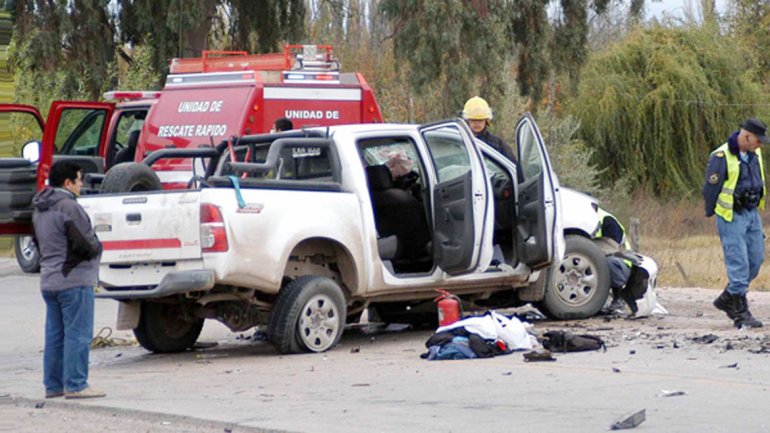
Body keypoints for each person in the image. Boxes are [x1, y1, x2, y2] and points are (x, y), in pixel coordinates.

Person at [33, 160, 105, 399]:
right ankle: (76, 384)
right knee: (78, 334)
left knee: (54, 335)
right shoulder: (69, 207)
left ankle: (53, 386)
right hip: (74, 279)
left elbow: (37, 243)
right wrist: (98, 245)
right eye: (79, 179)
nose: (81, 184)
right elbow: (84, 243)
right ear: (67, 182)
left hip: (49, 279)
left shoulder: (40, 208)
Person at [703, 118, 769, 329]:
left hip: (751, 213)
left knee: (756, 260)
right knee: (739, 264)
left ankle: (726, 298)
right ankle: (740, 313)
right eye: (758, 141)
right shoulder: (721, 156)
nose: (760, 146)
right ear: (747, 137)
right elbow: (710, 187)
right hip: (731, 215)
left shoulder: (754, 153)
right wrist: (711, 211)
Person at [461, 96, 523, 182]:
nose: (477, 123)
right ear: (467, 120)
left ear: (486, 121)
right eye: (473, 120)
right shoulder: (458, 142)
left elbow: (513, 168)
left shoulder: (497, 144)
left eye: (480, 120)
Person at [594, 205, 633, 312]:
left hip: (623, 265)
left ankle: (619, 297)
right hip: (609, 261)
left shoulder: (607, 220)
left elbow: (611, 248)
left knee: (607, 262)